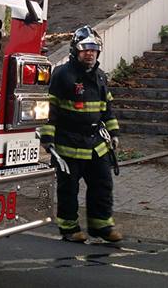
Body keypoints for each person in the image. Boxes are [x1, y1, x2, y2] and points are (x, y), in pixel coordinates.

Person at [38, 26, 122, 243]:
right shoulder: (62, 75)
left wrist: (113, 133)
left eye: (94, 49)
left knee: (102, 185)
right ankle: (69, 228)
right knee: (68, 189)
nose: (90, 53)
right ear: (75, 50)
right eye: (85, 49)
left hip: (96, 145)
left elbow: (107, 109)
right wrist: (47, 139)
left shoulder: (100, 77)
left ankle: (101, 226)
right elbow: (50, 109)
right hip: (69, 144)